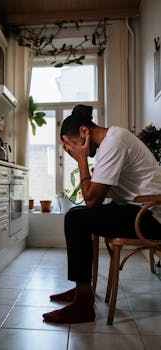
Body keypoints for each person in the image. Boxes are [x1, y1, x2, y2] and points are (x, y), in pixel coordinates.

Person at [42, 104, 161, 324]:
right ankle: (82, 290)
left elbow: (91, 200)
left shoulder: (114, 142)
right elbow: (94, 197)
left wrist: (81, 160)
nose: (73, 153)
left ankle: (83, 304)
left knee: (76, 218)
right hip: (135, 209)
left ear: (84, 132)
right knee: (77, 215)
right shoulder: (111, 141)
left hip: (150, 216)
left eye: (72, 146)